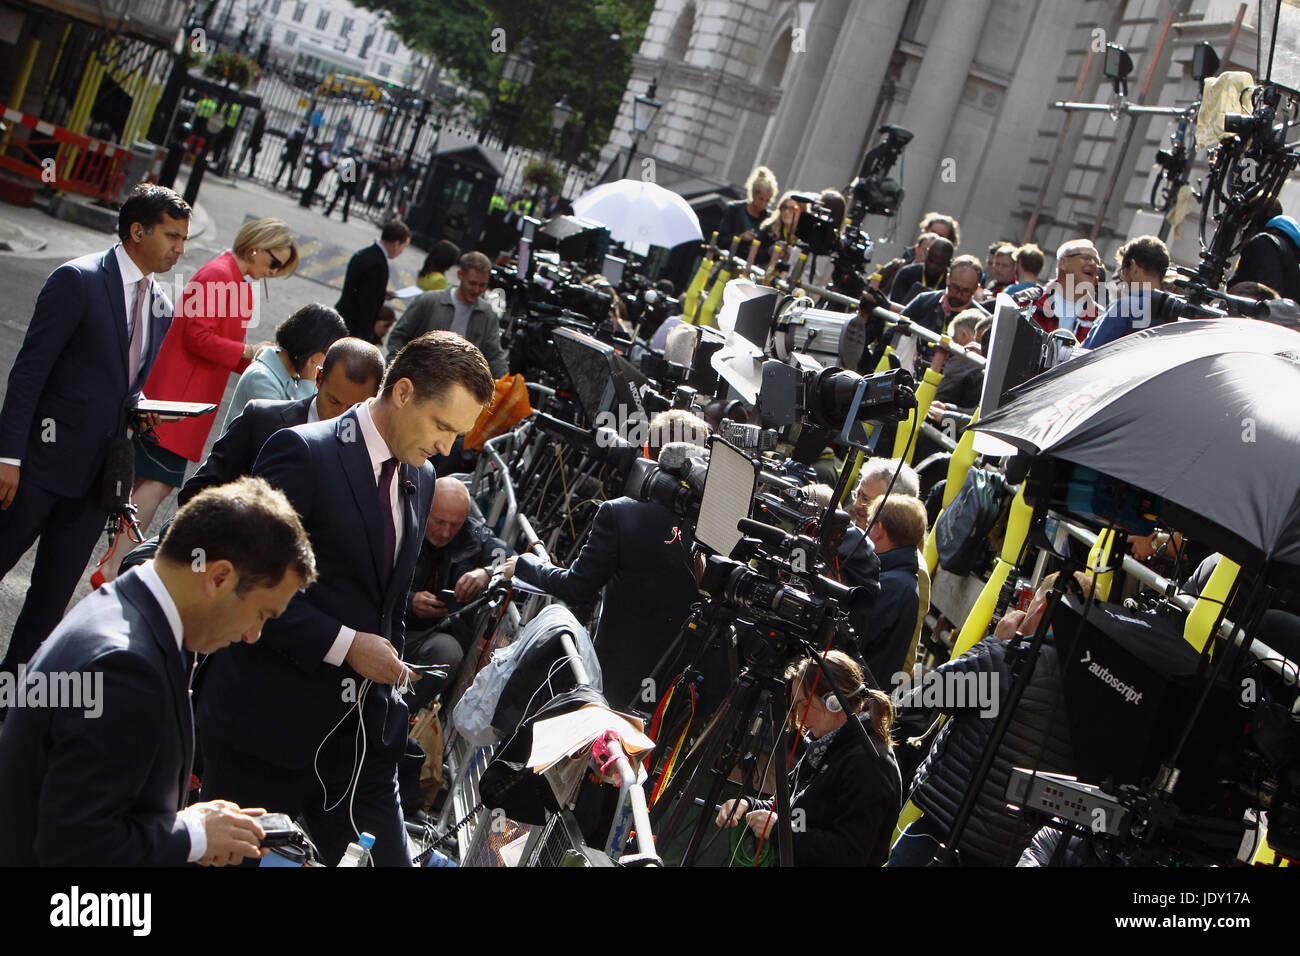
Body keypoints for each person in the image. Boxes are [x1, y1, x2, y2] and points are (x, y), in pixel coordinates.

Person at [195, 332, 495, 867]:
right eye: (443, 427)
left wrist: (391, 689)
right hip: (266, 735)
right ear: (402, 392)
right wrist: (346, 644)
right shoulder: (304, 452)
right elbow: (245, 586)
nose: (448, 447)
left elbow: (391, 601)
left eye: (459, 435)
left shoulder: (423, 477)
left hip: (361, 751)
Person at [0, 477, 316, 865]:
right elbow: (75, 845)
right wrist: (193, 835)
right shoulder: (127, 668)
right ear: (218, 577)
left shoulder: (128, 613)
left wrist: (187, 824)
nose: (253, 634)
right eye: (262, 614)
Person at [0, 184, 190, 690]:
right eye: (171, 235)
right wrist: (9, 456)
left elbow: (122, 387)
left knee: (47, 608)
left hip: (93, 485)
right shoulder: (77, 280)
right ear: (137, 230)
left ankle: (9, 706)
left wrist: (143, 413)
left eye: (183, 238)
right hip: (37, 469)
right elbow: (29, 374)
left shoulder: (160, 306)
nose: (179, 248)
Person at [94, 218, 300, 583]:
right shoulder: (221, 275)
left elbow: (214, 344)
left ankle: (109, 563)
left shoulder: (229, 277)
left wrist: (255, 356)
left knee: (145, 481)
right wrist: (249, 351)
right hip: (178, 400)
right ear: (257, 247)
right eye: (274, 262)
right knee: (156, 484)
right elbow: (197, 337)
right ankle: (112, 567)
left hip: (183, 398)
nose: (273, 271)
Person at [116, 339, 384, 575]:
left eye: (353, 408)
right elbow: (197, 491)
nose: (340, 416)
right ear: (318, 378)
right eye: (334, 401)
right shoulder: (262, 419)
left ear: (373, 400)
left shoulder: (371, 456)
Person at [503, 411, 713, 712]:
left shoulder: (620, 514)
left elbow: (576, 587)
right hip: (678, 701)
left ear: (648, 454)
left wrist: (525, 566)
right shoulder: (720, 530)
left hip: (613, 690)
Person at [888, 571, 1092, 866]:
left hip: (945, 833)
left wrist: (997, 644)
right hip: (1011, 853)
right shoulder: (1091, 691)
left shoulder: (1012, 661)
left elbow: (923, 695)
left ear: (1043, 606)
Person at [715, 651, 902, 866]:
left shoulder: (870, 764)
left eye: (804, 705)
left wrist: (779, 831)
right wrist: (748, 805)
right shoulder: (826, 744)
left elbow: (849, 854)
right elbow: (789, 808)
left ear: (834, 702)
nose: (799, 718)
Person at [402, 476, 512, 711]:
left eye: (454, 525)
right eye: (439, 522)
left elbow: (508, 556)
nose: (445, 532)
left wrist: (487, 572)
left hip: (432, 637)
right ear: (424, 509)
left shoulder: (472, 535)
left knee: (448, 652)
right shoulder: (398, 524)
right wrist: (409, 601)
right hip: (384, 627)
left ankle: (397, 715)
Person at [223, 304, 348, 429]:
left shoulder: (294, 375)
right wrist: (308, 383)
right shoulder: (261, 379)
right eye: (329, 354)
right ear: (313, 353)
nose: (330, 363)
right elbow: (291, 434)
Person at [387, 251, 507, 377]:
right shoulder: (429, 301)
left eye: (482, 285)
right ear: (460, 275)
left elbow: (494, 356)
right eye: (472, 283)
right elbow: (398, 335)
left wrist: (506, 383)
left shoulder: (487, 315)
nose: (476, 290)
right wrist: (397, 371)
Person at [858, 493, 928, 687]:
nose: (866, 529)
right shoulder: (902, 579)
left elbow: (857, 637)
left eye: (869, 523)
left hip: (856, 693)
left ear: (879, 529)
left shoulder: (890, 584)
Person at [1081, 236, 1177, 350]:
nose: (1123, 280)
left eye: (1122, 273)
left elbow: (1089, 352)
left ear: (1134, 267)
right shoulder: (1176, 314)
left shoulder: (1124, 307)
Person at [336, 220, 411, 345]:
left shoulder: (364, 253)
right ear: (396, 244)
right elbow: (367, 305)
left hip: (343, 315)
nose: (401, 252)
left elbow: (361, 288)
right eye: (403, 248)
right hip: (355, 327)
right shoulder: (379, 265)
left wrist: (382, 293)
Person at [1028, 238, 1101, 340]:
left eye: (1097, 262)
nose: (1093, 264)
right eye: (1086, 258)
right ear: (1063, 263)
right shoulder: (1029, 302)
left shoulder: (1100, 320)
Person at [716, 165, 777, 251]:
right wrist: (740, 237)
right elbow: (721, 240)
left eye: (767, 201)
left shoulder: (768, 219)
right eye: (761, 199)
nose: (763, 204)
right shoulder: (735, 209)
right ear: (753, 194)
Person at [889, 236, 954, 306]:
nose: (933, 266)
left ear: (948, 264)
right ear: (927, 253)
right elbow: (894, 304)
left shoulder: (950, 284)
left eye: (939, 264)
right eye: (930, 260)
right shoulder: (906, 273)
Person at [324, 146, 366, 223]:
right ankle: (345, 217)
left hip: (345, 180)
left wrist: (341, 177)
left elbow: (342, 169)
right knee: (348, 200)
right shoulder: (362, 164)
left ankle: (329, 211)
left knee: (337, 196)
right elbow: (362, 175)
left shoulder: (350, 160)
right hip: (353, 183)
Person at [298, 141, 334, 209]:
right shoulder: (324, 153)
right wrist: (331, 165)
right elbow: (325, 164)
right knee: (312, 187)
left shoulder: (319, 151)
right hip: (318, 172)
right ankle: (306, 202)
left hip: (315, 171)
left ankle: (304, 201)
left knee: (311, 186)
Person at [274, 123, 307, 190]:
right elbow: (304, 143)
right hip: (296, 153)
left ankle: (277, 180)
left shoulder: (295, 131)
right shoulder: (304, 134)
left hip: (290, 151)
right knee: (291, 169)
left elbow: (289, 139)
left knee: (284, 167)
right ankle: (289, 183)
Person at [239, 110, 267, 179]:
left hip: (252, 139)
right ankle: (250, 171)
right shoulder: (263, 121)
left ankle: (239, 166)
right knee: (251, 156)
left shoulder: (257, 119)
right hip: (256, 140)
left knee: (245, 154)